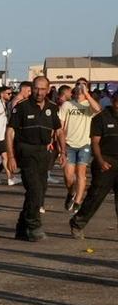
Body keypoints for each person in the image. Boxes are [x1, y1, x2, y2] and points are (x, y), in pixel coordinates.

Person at [6, 74, 61, 240]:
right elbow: (10, 132)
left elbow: (58, 130)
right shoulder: (21, 107)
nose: (39, 92)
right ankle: (33, 225)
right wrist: (10, 156)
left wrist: (63, 152)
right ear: (32, 88)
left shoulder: (52, 107)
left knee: (39, 190)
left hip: (43, 153)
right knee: (34, 189)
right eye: (36, 88)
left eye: (43, 89)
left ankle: (21, 228)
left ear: (48, 89)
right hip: (26, 151)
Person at [68, 91, 118, 238]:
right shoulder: (101, 118)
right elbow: (95, 142)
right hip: (105, 161)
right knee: (95, 196)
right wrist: (101, 160)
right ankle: (77, 223)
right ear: (113, 100)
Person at [59, 79, 97, 213]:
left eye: (83, 85)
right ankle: (71, 192)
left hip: (84, 144)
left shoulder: (88, 105)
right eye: (78, 84)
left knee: (81, 174)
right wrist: (60, 146)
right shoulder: (67, 105)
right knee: (68, 176)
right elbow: (61, 127)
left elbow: (98, 110)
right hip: (69, 144)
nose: (80, 87)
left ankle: (78, 201)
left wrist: (87, 94)